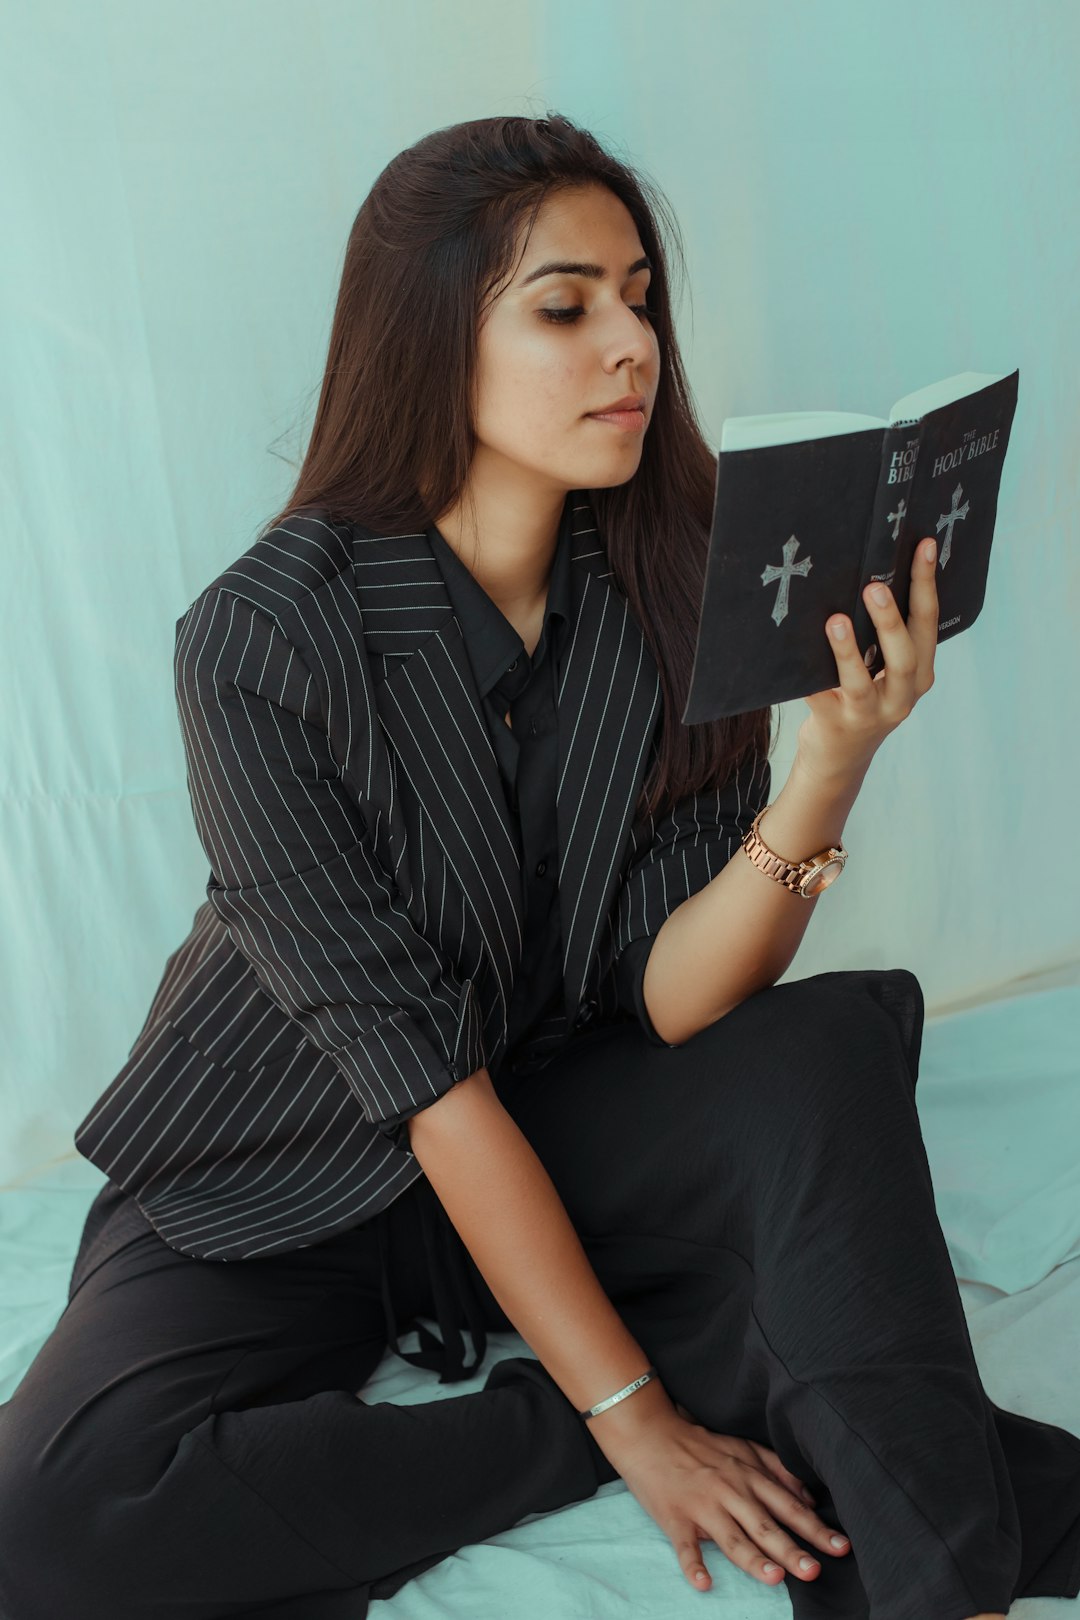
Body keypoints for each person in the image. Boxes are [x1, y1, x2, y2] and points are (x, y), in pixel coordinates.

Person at [1, 112, 1077, 1620]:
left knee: (811, 1057)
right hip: (278, 1172)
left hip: (560, 1120)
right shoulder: (264, 637)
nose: (631, 342)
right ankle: (572, 1426)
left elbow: (674, 994)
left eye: (639, 295)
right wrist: (625, 1422)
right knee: (47, 1525)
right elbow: (429, 1093)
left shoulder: (681, 575)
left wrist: (834, 763)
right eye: (566, 305)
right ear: (433, 337)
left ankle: (932, 1585)